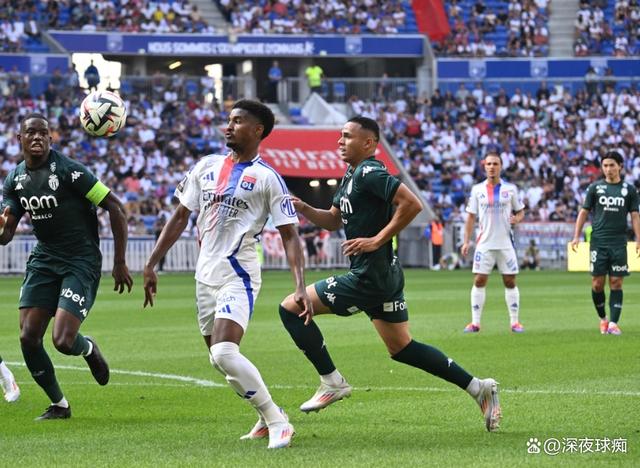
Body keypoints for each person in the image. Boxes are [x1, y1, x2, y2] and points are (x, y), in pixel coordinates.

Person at [278, 117, 502, 432]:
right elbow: (332, 220)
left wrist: (376, 240)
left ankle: (332, 382)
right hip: (384, 275)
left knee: (290, 307)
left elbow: (412, 204)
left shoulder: (371, 172)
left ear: (369, 143)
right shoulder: (351, 174)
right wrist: (304, 208)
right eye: (340, 136)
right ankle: (479, 388)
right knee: (402, 348)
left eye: (347, 136)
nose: (340, 141)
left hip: (369, 278)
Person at [143, 100, 311, 449]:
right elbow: (179, 217)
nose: (228, 127)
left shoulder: (268, 179)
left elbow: (290, 235)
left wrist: (299, 287)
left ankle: (279, 422)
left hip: (239, 274)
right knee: (218, 359)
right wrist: (151, 262)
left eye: (237, 121)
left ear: (257, 130)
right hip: (204, 275)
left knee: (223, 352)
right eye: (228, 121)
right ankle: (267, 417)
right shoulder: (205, 167)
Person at [0, 113, 133, 420]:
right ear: (19, 139)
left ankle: (88, 349)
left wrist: (120, 261)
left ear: (51, 138)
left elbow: (114, 206)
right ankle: (59, 404)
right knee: (27, 336)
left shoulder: (71, 171)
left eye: (43, 133)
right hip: (45, 259)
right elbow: (6, 235)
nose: (37, 138)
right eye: (30, 133)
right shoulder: (14, 180)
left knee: (62, 340)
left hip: (80, 260)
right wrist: (2, 227)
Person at [571, 150, 640, 335]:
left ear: (620, 166)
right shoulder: (595, 188)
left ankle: (614, 323)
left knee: (616, 282)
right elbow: (584, 212)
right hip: (599, 243)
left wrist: (639, 238)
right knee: (597, 284)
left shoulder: (629, 190)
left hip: (619, 242)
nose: (608, 169)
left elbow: (634, 215)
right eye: (605, 165)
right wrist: (576, 235)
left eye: (612, 165)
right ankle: (603, 319)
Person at [460, 153, 525, 333]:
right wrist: (466, 242)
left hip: (505, 243)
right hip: (485, 243)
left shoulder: (510, 189)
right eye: (488, 164)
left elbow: (520, 211)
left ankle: (515, 322)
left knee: (510, 281)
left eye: (495, 164)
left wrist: (517, 218)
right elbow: (471, 217)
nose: (491, 167)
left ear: (501, 166)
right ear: (484, 166)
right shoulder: (477, 190)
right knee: (479, 280)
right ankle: (475, 323)